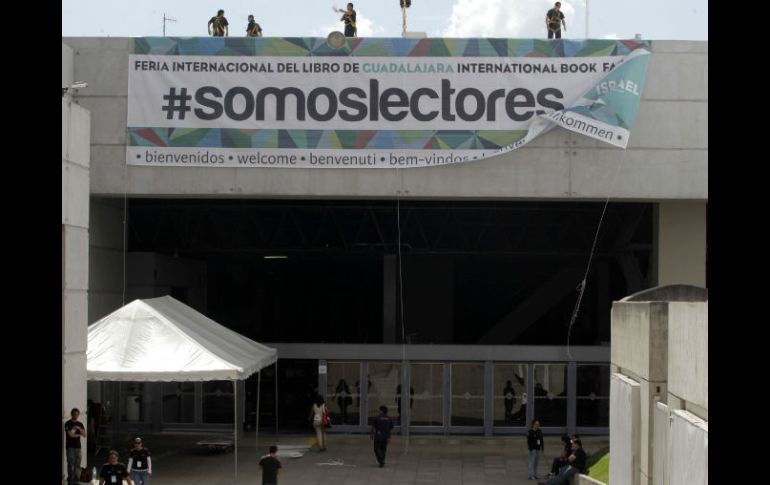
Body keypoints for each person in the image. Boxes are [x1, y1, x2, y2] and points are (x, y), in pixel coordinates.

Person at [64, 407, 86, 485]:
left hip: (78, 447)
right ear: (71, 414)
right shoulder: (68, 423)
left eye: (77, 414)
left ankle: (76, 480)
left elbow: (84, 434)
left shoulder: (80, 424)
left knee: (78, 464)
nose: (76, 416)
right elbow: (70, 435)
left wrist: (79, 429)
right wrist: (77, 433)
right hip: (70, 447)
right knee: (71, 463)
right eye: (74, 414)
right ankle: (71, 480)